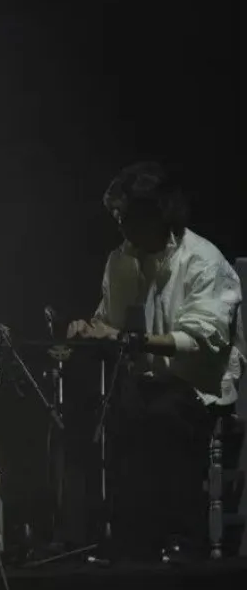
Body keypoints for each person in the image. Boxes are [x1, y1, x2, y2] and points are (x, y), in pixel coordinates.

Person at [67, 161, 245, 561]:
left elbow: (201, 339)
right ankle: (129, 537)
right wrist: (88, 328)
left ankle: (184, 536)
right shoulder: (121, 261)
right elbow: (109, 320)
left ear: (158, 214)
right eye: (117, 217)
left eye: (128, 216)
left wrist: (124, 338)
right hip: (146, 381)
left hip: (196, 385)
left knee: (164, 417)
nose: (121, 226)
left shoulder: (201, 260)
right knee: (107, 417)